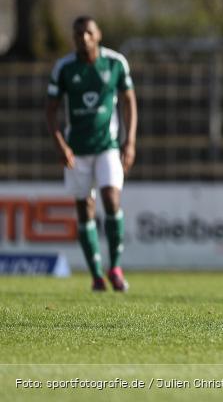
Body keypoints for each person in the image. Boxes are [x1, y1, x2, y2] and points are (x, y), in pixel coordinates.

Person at [45, 16, 137, 292]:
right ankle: (96, 275)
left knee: (111, 198)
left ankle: (116, 268)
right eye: (77, 34)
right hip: (77, 151)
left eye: (87, 33)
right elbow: (50, 109)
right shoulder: (64, 68)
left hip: (107, 146)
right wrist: (60, 142)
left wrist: (129, 142)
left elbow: (130, 101)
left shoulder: (115, 63)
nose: (82, 38)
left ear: (98, 34)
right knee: (84, 209)